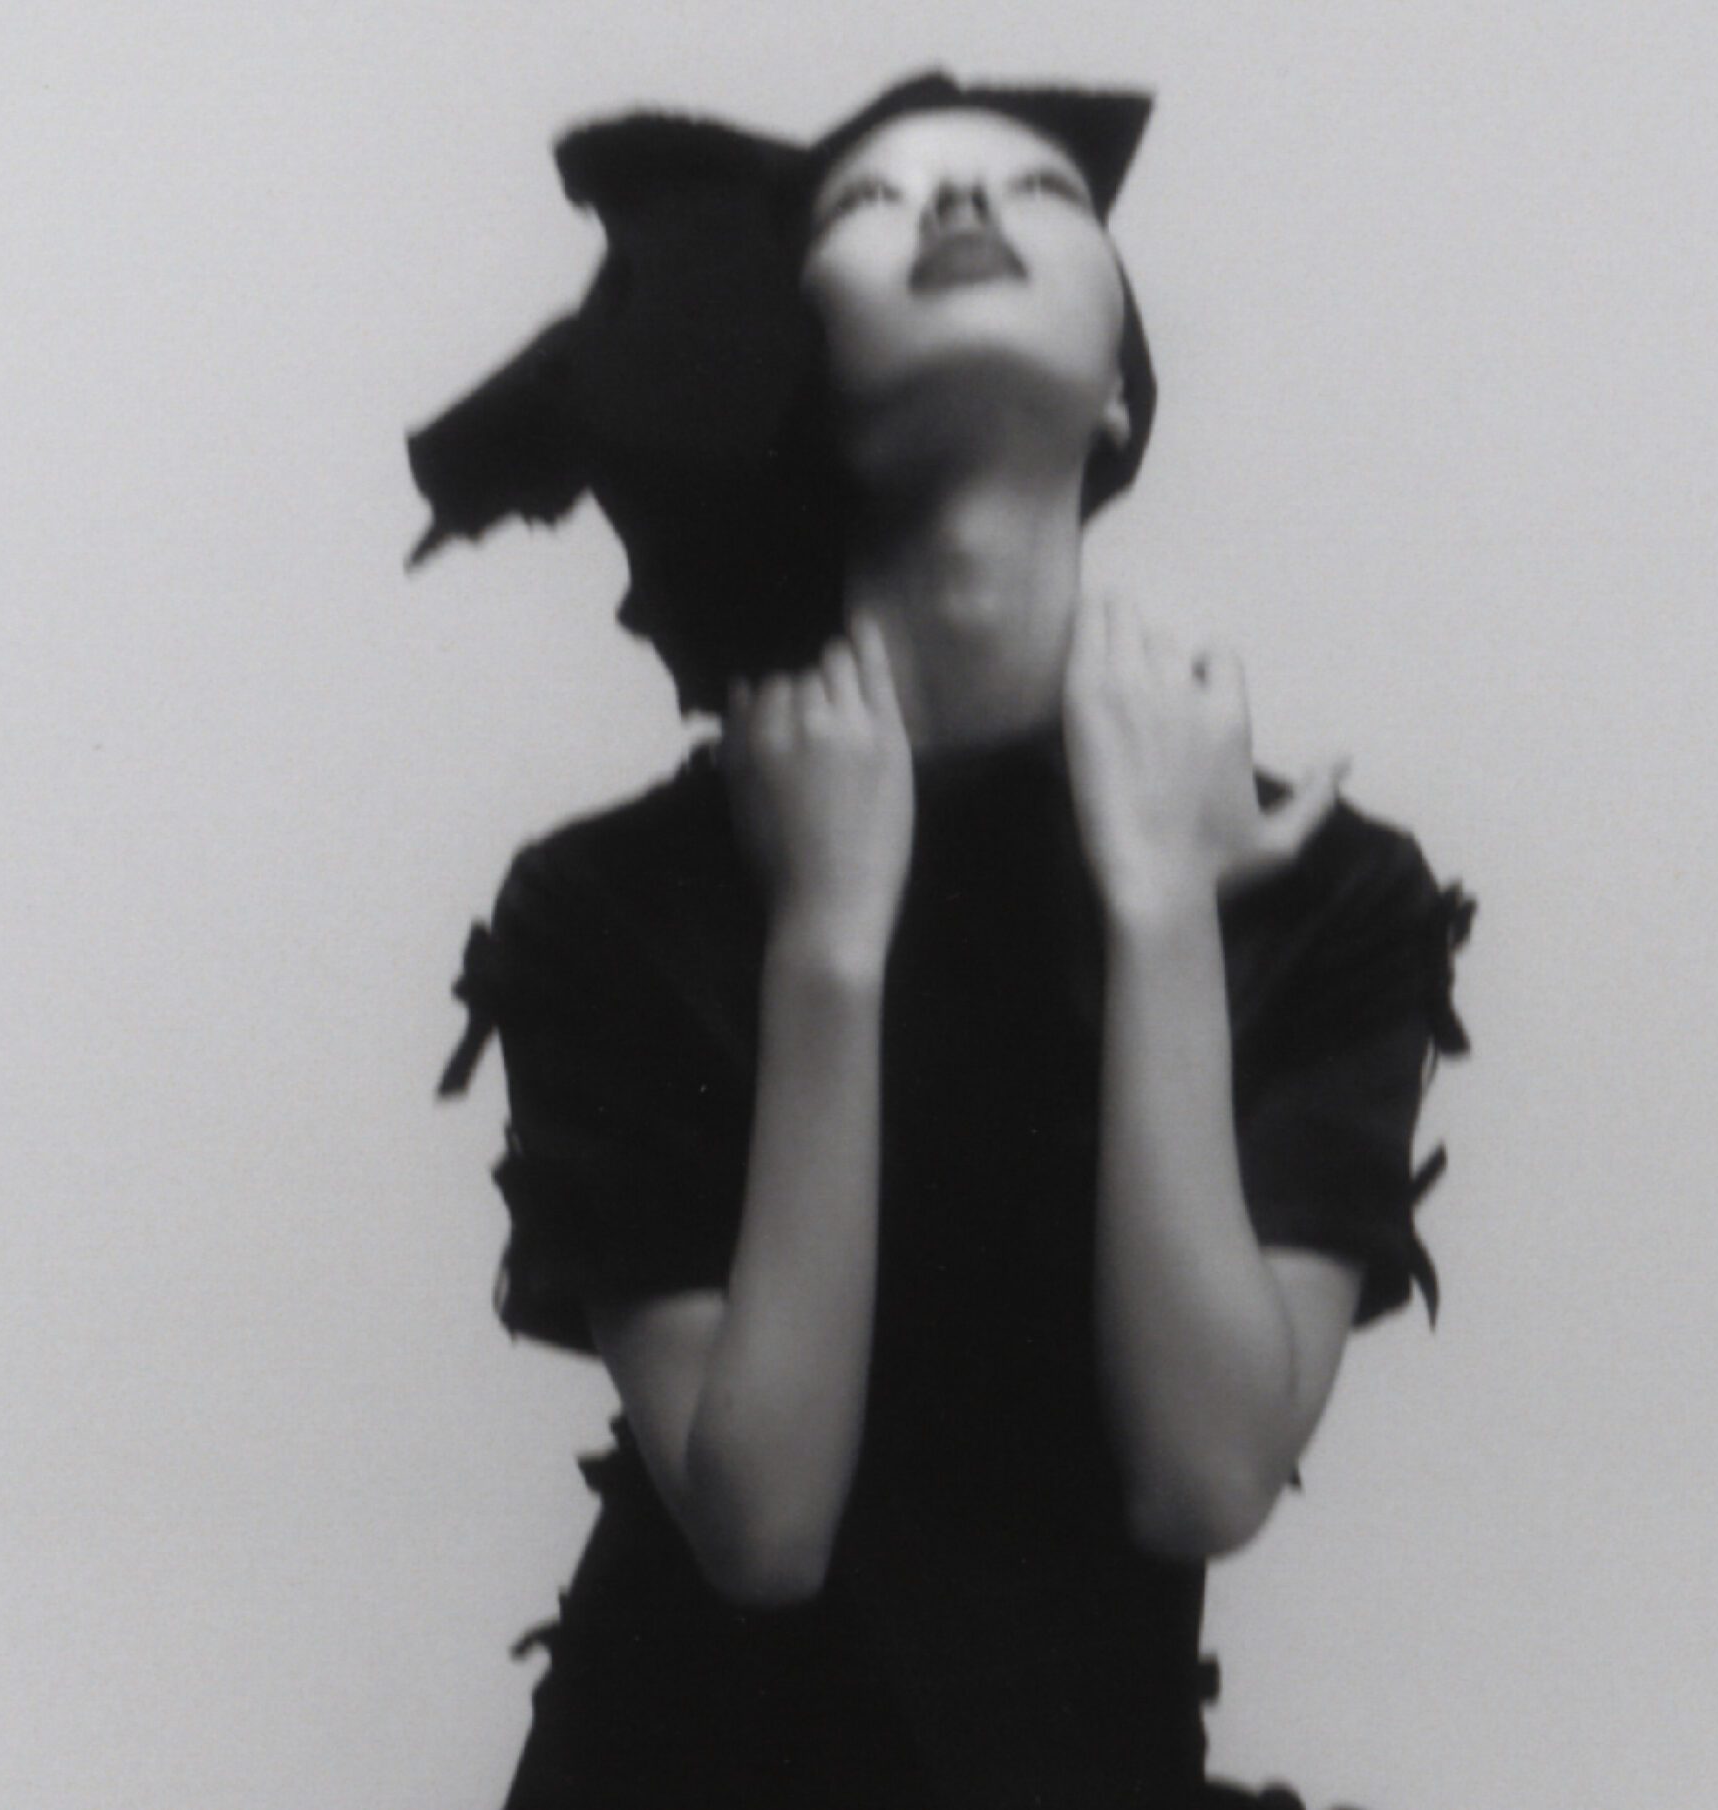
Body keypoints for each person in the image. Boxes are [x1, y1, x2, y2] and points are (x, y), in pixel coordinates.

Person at [405, 69, 1476, 1810]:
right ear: (796, 373)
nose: (966, 209)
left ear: (1120, 385)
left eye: (1040, 192)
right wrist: (828, 940)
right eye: (873, 204)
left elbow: (1208, 1476)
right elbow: (763, 1525)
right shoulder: (611, 900)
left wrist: (1161, 907)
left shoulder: (1321, 883)